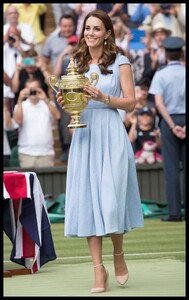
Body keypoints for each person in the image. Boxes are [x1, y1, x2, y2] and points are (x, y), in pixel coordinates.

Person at [56, 9, 144, 293]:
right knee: (88, 201)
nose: (90, 33)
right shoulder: (76, 62)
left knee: (111, 200)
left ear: (107, 33)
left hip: (111, 135)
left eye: (96, 29)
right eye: (87, 28)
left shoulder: (121, 62)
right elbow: (73, 100)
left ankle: (118, 255)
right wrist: (65, 102)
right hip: (84, 135)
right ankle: (98, 270)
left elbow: (130, 103)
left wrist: (104, 97)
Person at [149, 36, 185, 221]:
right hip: (184, 119)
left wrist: (172, 126)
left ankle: (174, 213)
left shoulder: (161, 74)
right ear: (181, 52)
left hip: (169, 120)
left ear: (166, 53)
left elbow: (159, 103)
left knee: (171, 169)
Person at [13, 78, 61, 168]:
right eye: (30, 89)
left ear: (40, 89)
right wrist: (20, 99)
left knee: (47, 182)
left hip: (46, 153)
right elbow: (19, 121)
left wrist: (45, 99)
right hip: (26, 153)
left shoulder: (48, 104)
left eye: (35, 88)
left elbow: (58, 116)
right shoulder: (21, 106)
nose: (32, 91)